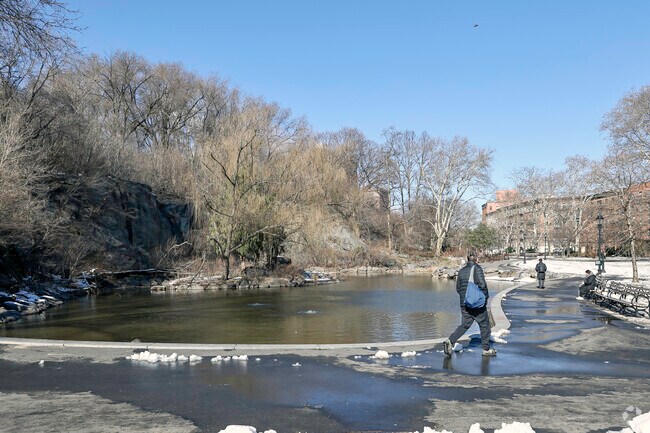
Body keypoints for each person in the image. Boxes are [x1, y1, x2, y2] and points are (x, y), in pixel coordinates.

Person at [444, 253, 496, 357]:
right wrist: (485, 298)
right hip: (476, 304)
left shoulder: (462, 271)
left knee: (465, 325)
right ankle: (486, 349)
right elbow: (482, 285)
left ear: (467, 260)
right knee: (484, 324)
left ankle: (450, 340)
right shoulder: (477, 268)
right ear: (476, 259)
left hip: (464, 303)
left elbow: (458, 288)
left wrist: (465, 298)